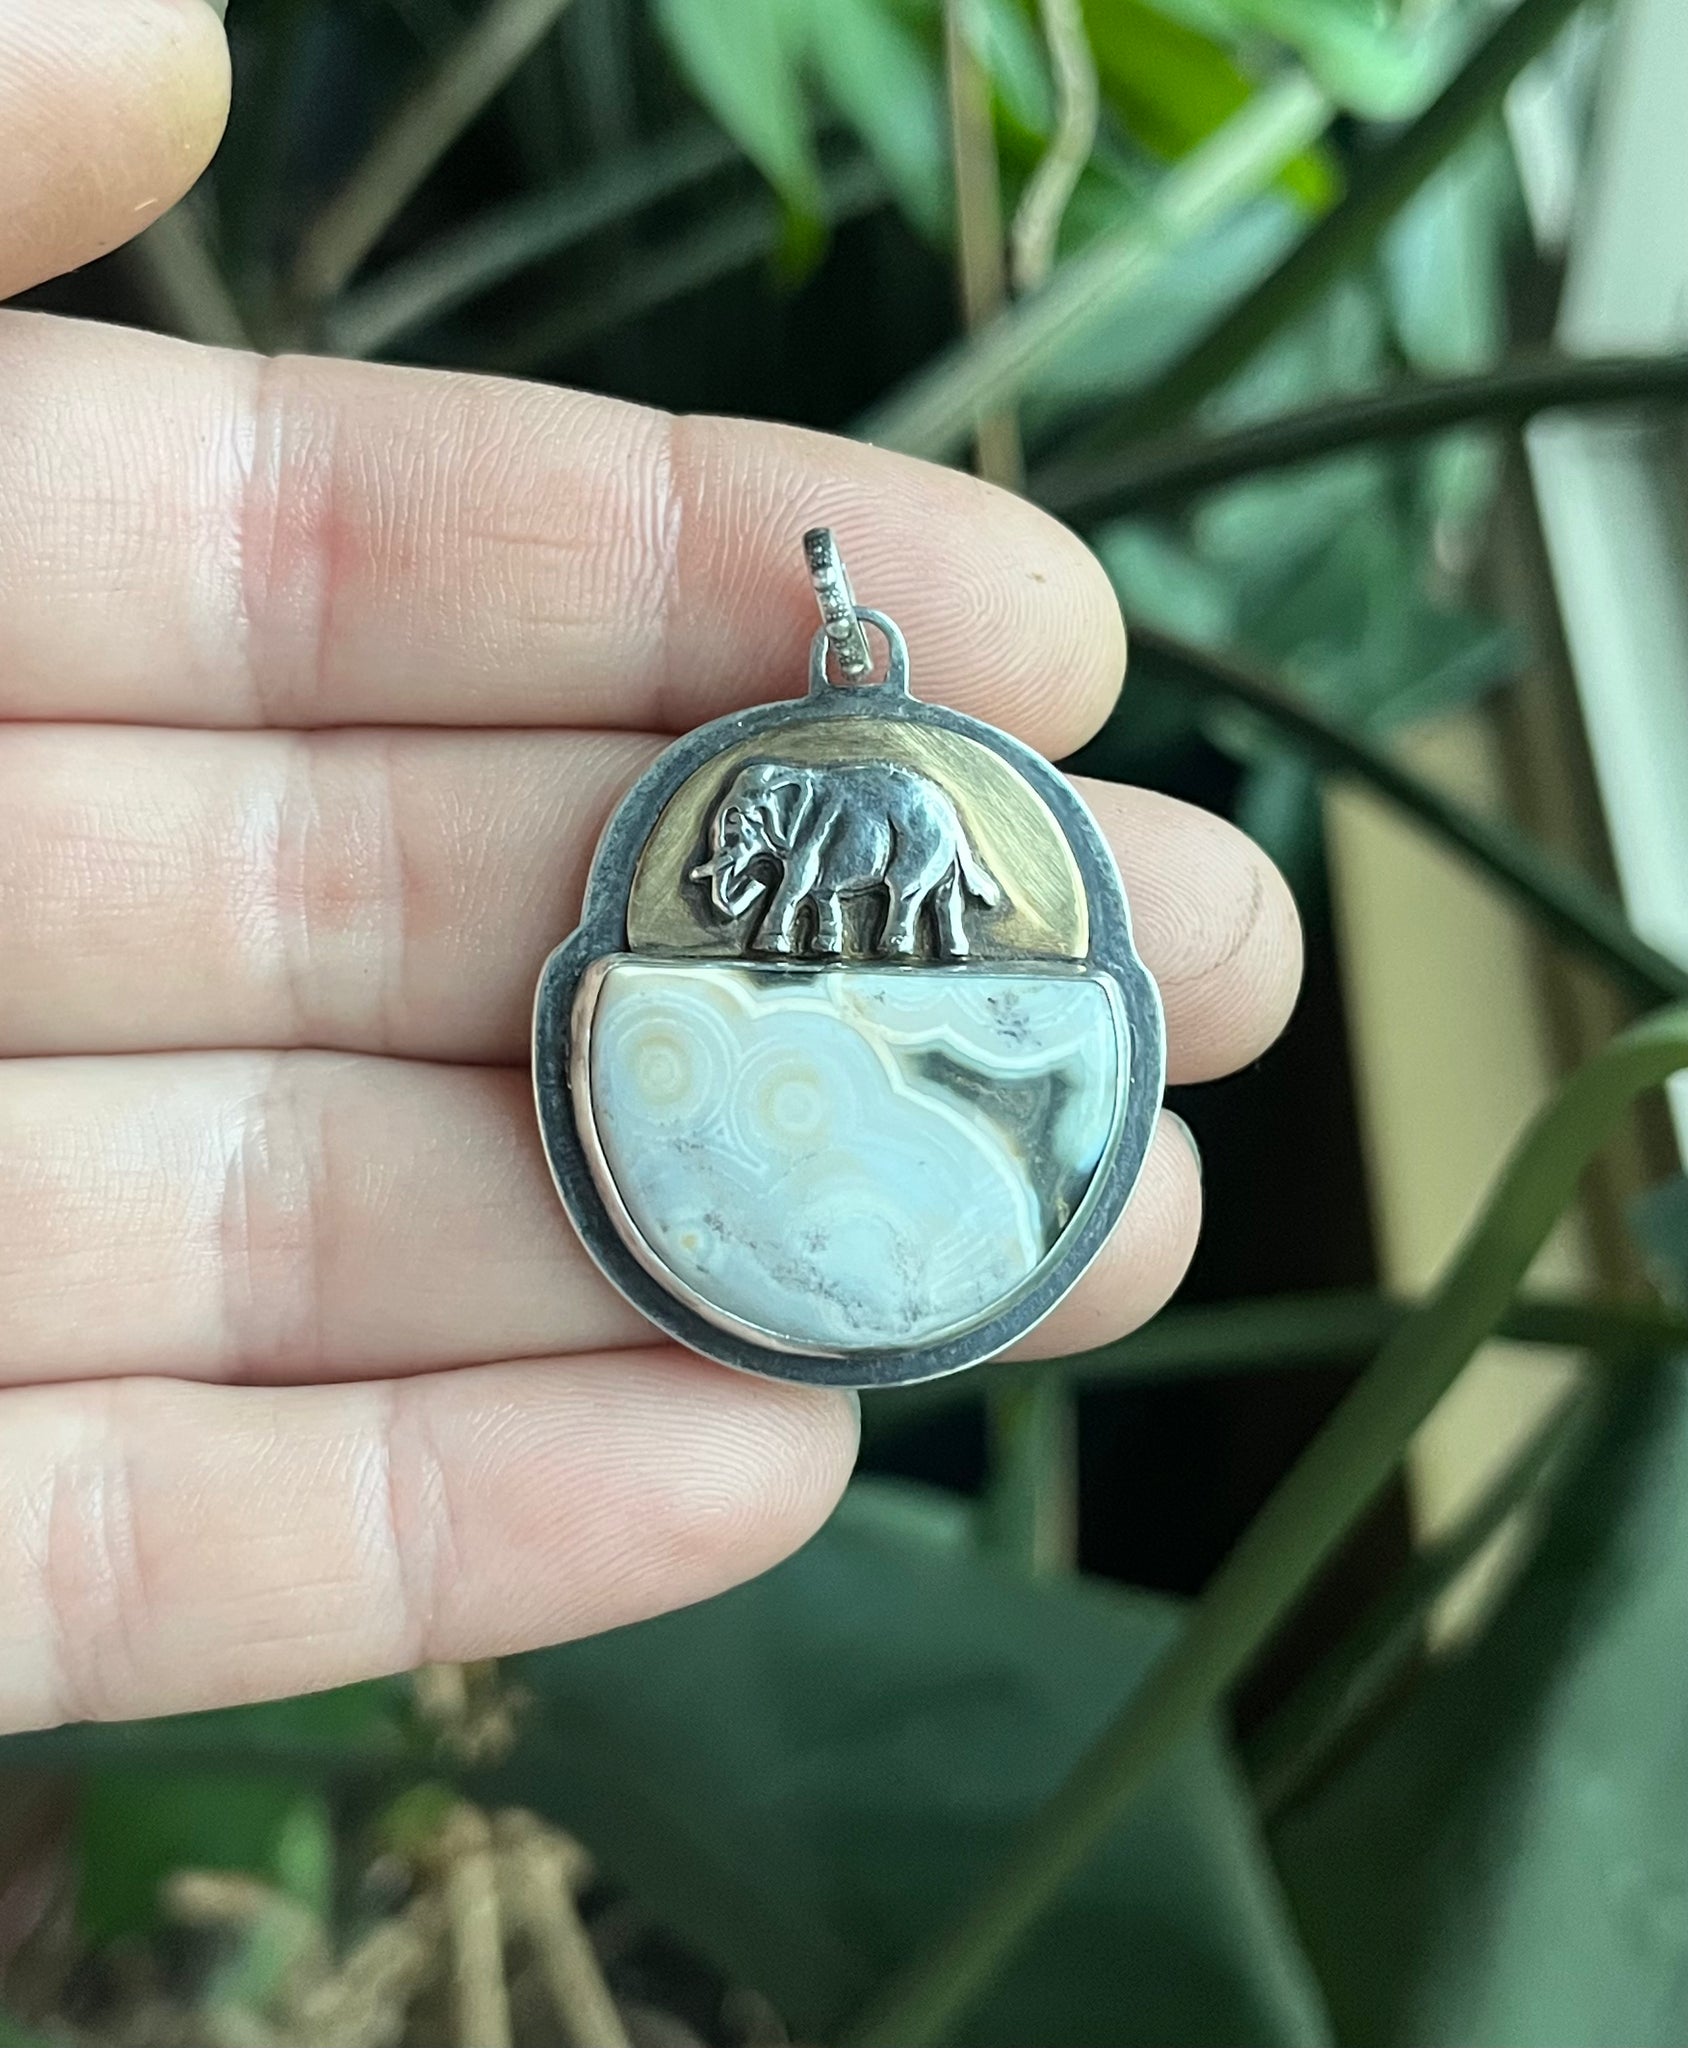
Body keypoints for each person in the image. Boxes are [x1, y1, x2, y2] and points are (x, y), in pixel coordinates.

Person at [0, 0, 1302, 1734]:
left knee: (918, 924)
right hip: (752, 1063)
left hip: (874, 1042)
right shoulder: (755, 837)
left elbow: (850, 895)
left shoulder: (871, 831)